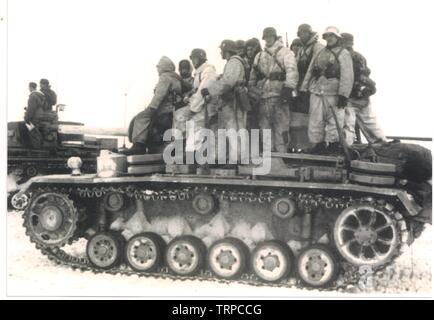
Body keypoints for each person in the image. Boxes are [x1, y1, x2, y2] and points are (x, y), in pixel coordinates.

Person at [300, 26, 354, 153]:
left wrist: (343, 95)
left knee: (335, 120)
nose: (329, 39)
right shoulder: (320, 52)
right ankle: (318, 145)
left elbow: (347, 75)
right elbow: (310, 71)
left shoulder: (343, 53)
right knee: (315, 120)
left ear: (337, 38)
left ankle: (333, 145)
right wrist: (304, 87)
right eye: (327, 36)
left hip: (334, 92)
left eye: (332, 36)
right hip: (317, 90)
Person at [248, 27, 298, 153]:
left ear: (275, 37)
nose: (268, 39)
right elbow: (252, 77)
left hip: (279, 95)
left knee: (281, 127)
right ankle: (268, 155)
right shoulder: (259, 56)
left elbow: (292, 71)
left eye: (270, 37)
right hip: (264, 96)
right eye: (266, 37)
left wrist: (288, 89)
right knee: (264, 128)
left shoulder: (286, 52)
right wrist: (254, 92)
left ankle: (282, 155)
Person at [201, 40, 249, 162]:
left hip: (233, 101)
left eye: (222, 50)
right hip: (232, 100)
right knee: (234, 130)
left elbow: (228, 83)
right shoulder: (234, 62)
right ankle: (236, 159)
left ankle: (236, 160)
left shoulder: (234, 62)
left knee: (234, 130)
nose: (221, 53)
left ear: (227, 51)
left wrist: (209, 91)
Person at [124, 56, 182, 155]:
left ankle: (139, 144)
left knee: (141, 117)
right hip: (173, 110)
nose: (157, 69)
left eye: (159, 67)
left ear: (164, 67)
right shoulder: (176, 78)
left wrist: (151, 108)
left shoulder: (165, 77)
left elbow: (159, 95)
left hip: (164, 110)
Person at [341, 32, 386, 145]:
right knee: (370, 122)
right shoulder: (360, 56)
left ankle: (347, 147)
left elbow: (346, 78)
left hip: (350, 97)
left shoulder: (343, 56)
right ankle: (383, 144)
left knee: (348, 124)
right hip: (364, 96)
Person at [174, 48, 219, 153]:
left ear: (201, 59)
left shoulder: (208, 71)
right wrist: (188, 97)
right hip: (199, 104)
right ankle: (181, 146)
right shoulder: (199, 72)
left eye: (195, 58)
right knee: (179, 115)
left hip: (207, 105)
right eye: (192, 59)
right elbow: (196, 89)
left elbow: (203, 89)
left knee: (195, 126)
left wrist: (193, 107)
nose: (193, 61)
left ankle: (193, 155)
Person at [294, 24, 324, 113]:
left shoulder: (318, 47)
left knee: (314, 114)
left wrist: (305, 86)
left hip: (312, 87)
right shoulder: (302, 50)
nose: (302, 35)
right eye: (300, 34)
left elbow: (312, 68)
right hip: (301, 86)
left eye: (305, 33)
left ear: (309, 33)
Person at [23, 82, 46, 148]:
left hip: (34, 116)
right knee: (36, 129)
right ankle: (40, 145)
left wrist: (26, 118)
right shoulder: (41, 95)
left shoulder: (33, 96)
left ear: (30, 87)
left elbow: (31, 108)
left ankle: (37, 148)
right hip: (40, 114)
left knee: (33, 131)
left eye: (29, 87)